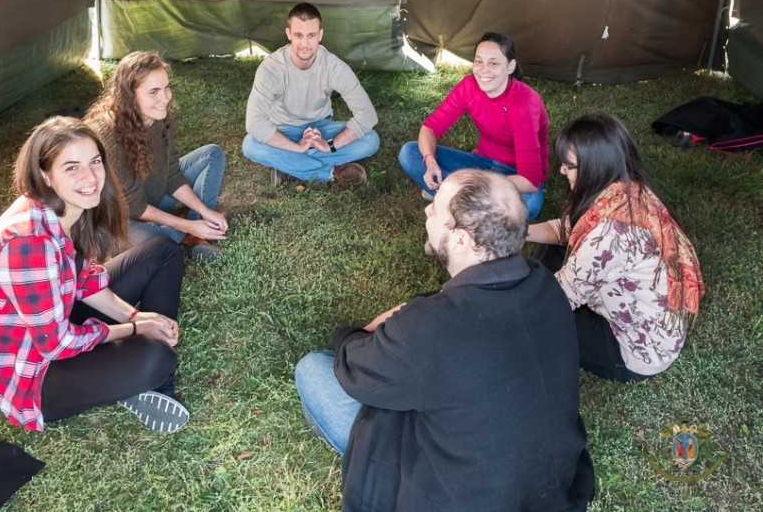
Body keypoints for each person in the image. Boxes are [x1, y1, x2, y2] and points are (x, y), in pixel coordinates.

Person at [295, 170, 594, 511]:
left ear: (462, 239)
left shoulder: (429, 327)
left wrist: (366, 330)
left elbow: (353, 363)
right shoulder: (546, 285)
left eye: (436, 209)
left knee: (314, 369)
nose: (427, 211)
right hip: (550, 490)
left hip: (457, 498)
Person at [0, 116, 190, 433]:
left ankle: (141, 362)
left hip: (59, 316)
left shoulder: (70, 208)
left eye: (95, 162)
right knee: (156, 357)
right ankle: (147, 372)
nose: (90, 177)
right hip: (34, 372)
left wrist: (136, 316)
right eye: (71, 167)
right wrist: (135, 329)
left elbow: (84, 280)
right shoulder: (27, 243)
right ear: (45, 175)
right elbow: (56, 344)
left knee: (163, 251)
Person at [526, 113, 705, 382]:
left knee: (531, 321)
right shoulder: (627, 190)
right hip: (648, 322)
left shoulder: (609, 235)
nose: (562, 172)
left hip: (634, 351)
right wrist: (520, 232)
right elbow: (567, 230)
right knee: (550, 252)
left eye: (569, 166)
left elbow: (556, 301)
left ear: (596, 168)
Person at [85, 50, 227, 260]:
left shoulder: (157, 116)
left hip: (152, 195)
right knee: (149, 237)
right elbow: (133, 205)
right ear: (129, 96)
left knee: (212, 155)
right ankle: (183, 235)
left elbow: (172, 174)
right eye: (154, 92)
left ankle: (195, 228)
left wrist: (203, 211)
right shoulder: (107, 133)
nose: (165, 98)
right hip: (120, 216)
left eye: (166, 87)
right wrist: (186, 225)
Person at [398, 32, 549, 220]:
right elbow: (430, 127)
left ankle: (451, 197)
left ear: (510, 66)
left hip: (516, 174)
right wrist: (430, 163)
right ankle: (471, 204)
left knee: (529, 205)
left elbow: (530, 181)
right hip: (481, 162)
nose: (483, 70)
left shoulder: (524, 102)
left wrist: (474, 184)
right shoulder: (469, 86)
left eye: (493, 63)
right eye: (478, 61)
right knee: (409, 152)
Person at [242, 2, 380, 186]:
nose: (305, 44)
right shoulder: (271, 68)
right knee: (250, 145)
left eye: (311, 35)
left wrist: (330, 145)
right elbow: (254, 122)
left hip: (321, 129)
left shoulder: (333, 66)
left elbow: (368, 115)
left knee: (370, 140)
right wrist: (296, 147)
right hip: (284, 129)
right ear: (289, 34)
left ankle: (289, 165)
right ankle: (330, 172)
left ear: (320, 35)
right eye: (298, 35)